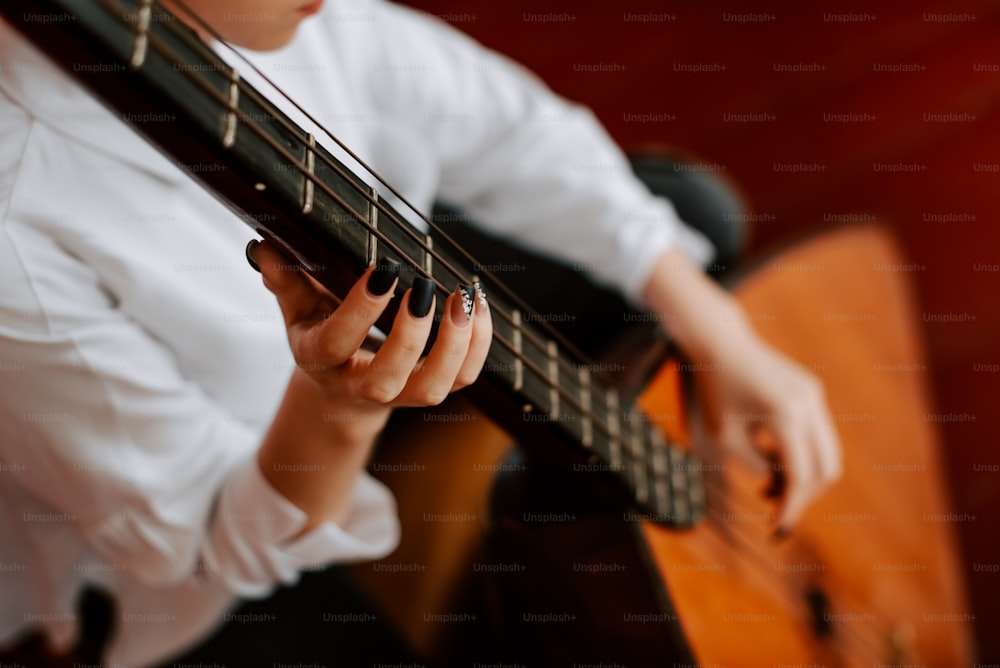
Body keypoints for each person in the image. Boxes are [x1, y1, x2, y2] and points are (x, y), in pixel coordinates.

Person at [0, 0, 842, 665]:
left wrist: (721, 332)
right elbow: (200, 540)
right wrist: (342, 409)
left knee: (690, 222)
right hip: (182, 566)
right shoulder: (17, 226)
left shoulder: (280, 9)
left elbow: (510, 129)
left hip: (358, 357)